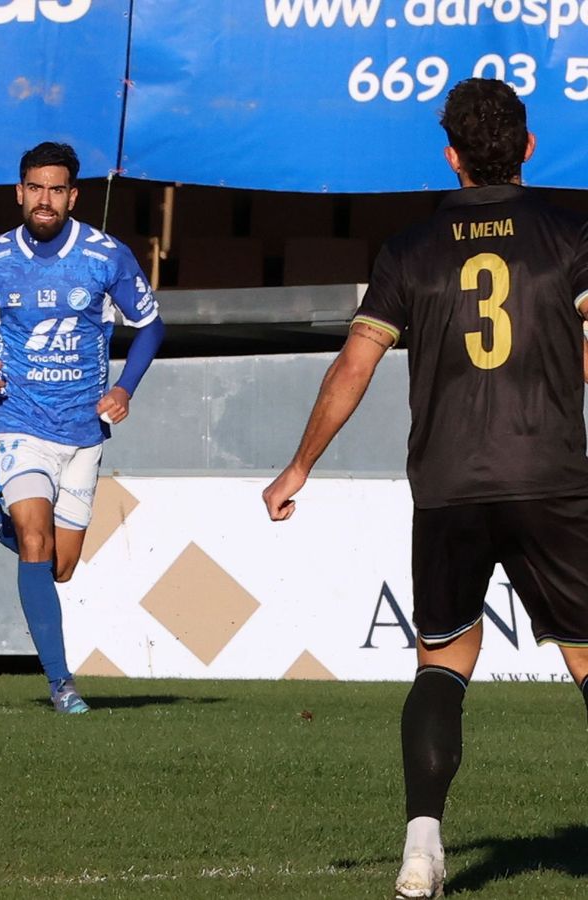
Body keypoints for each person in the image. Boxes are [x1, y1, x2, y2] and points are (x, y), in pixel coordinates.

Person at [261, 79, 588, 900]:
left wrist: (300, 466)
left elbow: (354, 366)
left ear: (450, 155)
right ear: (530, 147)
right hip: (550, 476)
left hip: (447, 484)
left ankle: (421, 850)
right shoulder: (572, 234)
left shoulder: (409, 249)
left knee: (442, 660)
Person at [0, 141, 165, 715]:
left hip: (83, 429)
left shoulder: (106, 255)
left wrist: (123, 388)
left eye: (56, 189)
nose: (45, 200)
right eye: (34, 188)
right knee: (37, 542)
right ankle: (62, 684)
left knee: (58, 567)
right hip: (18, 422)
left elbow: (151, 326)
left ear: (73, 195)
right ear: (19, 193)